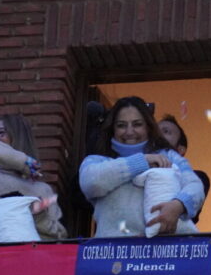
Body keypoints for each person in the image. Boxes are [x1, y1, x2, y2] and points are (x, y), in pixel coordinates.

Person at [79, 97, 204, 238]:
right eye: (121, 125)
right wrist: (142, 161)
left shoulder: (169, 156)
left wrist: (178, 205)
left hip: (169, 253)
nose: (129, 131)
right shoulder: (96, 160)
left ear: (148, 127)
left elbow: (195, 187)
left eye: (137, 124)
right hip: (113, 255)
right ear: (112, 129)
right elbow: (92, 183)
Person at [0, 114, 67, 243]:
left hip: (23, 259)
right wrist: (24, 162)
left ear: (19, 138)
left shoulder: (42, 190)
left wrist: (39, 217)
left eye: (0, 133)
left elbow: (59, 237)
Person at [158, 114, 210, 224]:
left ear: (180, 149)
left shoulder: (197, 178)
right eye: (155, 131)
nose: (158, 135)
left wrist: (178, 205)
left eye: (166, 131)